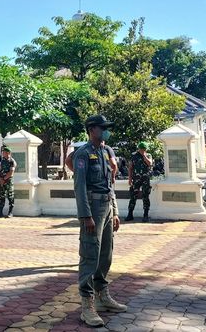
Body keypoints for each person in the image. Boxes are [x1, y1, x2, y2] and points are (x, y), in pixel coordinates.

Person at [73, 115, 126, 327]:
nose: (106, 131)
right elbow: (80, 187)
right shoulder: (83, 154)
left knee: (106, 253)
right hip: (92, 208)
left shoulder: (105, 152)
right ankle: (87, 305)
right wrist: (85, 215)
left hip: (106, 205)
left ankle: (103, 295)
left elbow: (110, 185)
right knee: (90, 254)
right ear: (91, 129)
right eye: (102, 128)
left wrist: (115, 211)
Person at [126, 142, 153, 222]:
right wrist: (130, 178)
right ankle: (130, 214)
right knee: (133, 196)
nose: (143, 150)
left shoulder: (148, 155)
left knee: (145, 196)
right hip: (136, 179)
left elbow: (150, 164)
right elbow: (130, 167)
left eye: (144, 149)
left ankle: (145, 215)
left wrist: (144, 156)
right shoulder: (134, 156)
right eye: (141, 149)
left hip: (145, 179)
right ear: (139, 149)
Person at [0, 145, 16, 218]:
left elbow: (11, 172)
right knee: (1, 196)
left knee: (10, 197)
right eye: (2, 152)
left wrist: (4, 179)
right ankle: (0, 212)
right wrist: (0, 179)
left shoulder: (12, 161)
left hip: (8, 182)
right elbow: (0, 170)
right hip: (2, 182)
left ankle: (10, 212)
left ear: (8, 153)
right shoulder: (3, 160)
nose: (2, 153)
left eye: (4, 152)